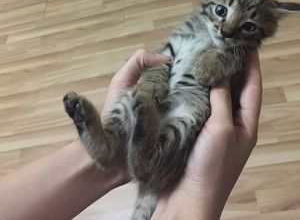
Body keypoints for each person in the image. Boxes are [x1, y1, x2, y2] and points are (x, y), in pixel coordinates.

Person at [0, 49, 262, 220]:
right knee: (142, 110)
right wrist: (197, 194)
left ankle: (113, 150)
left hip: (172, 133)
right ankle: (113, 148)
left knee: (144, 115)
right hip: (170, 128)